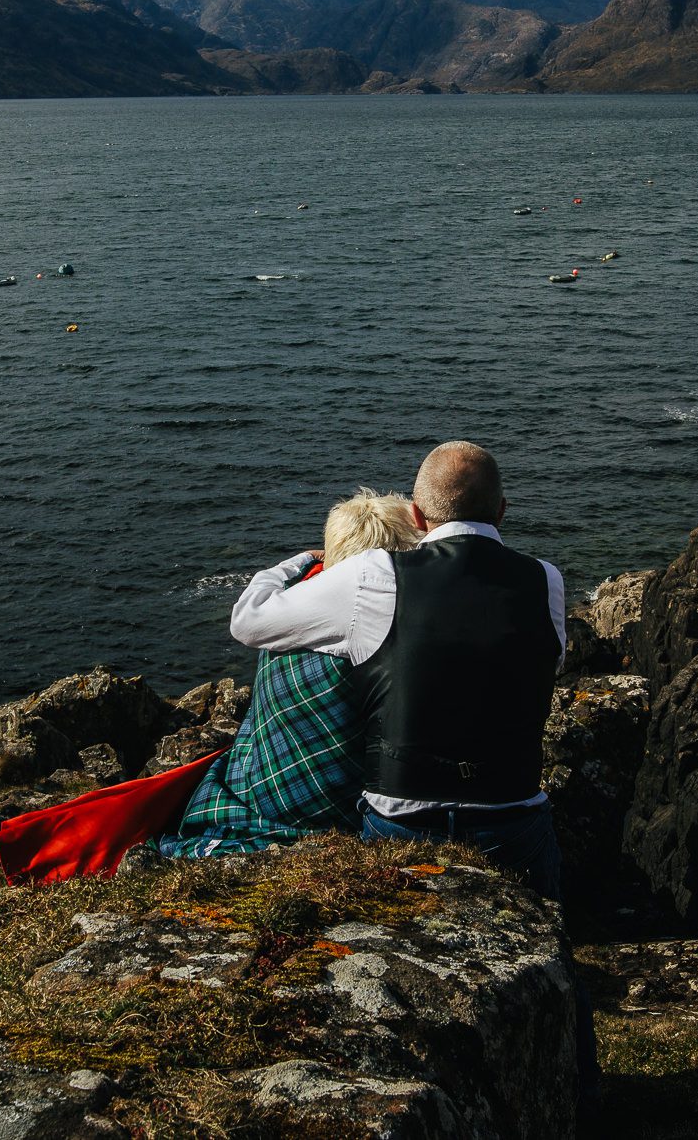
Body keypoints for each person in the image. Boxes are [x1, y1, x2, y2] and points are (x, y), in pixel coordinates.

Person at [228, 441, 596, 1110]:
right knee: (553, 966)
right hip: (514, 815)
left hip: (402, 823)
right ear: (504, 510)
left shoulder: (374, 576)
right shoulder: (547, 579)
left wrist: (299, 565)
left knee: (392, 988)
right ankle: (579, 1093)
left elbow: (249, 624)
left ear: (418, 517)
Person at [160, 489, 421, 858]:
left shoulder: (290, 610)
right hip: (341, 808)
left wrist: (301, 560)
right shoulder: (399, 625)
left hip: (265, 789)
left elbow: (253, 605)